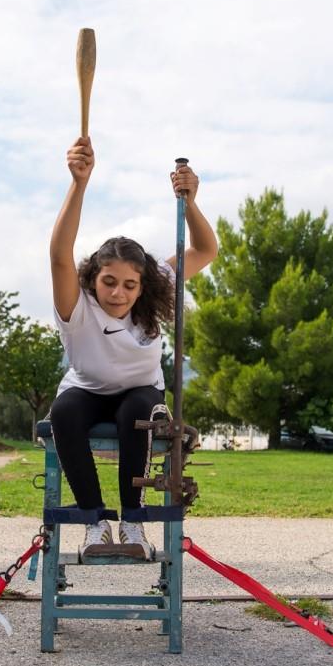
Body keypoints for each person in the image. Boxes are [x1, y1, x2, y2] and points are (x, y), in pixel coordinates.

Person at [48, 136, 218, 560]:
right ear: (93, 279)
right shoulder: (77, 303)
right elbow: (59, 254)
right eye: (109, 282)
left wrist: (191, 202)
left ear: (143, 286)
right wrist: (79, 183)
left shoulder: (155, 288)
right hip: (86, 390)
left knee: (138, 413)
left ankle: (133, 523)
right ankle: (94, 523)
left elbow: (206, 250)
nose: (118, 293)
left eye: (129, 285)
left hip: (139, 392)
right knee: (63, 412)